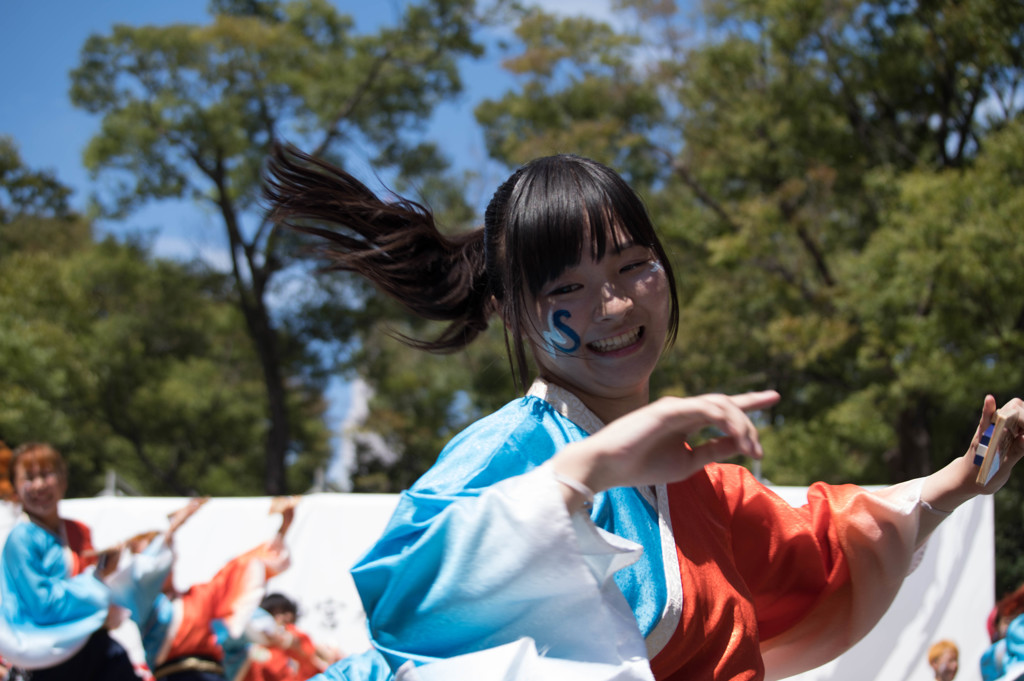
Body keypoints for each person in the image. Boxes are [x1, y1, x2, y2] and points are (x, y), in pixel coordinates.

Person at [263, 147, 1024, 681]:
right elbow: (410, 595)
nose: (615, 304)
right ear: (513, 311)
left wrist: (961, 480)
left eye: (633, 267)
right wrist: (591, 468)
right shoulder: (517, 451)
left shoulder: (705, 487)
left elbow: (823, 549)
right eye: (570, 289)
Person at [114, 496, 298, 680]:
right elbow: (145, 573)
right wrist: (173, 528)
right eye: (153, 552)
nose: (161, 560)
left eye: (168, 547)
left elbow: (241, 568)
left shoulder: (200, 596)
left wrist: (283, 529)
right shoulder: (147, 604)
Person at [0, 442, 138, 680]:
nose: (39, 485)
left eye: (46, 474)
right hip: (47, 655)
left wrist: (107, 572)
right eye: (29, 478)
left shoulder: (78, 531)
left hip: (90, 645)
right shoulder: (22, 537)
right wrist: (97, 584)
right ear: (15, 487)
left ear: (63, 480)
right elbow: (43, 606)